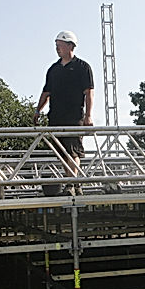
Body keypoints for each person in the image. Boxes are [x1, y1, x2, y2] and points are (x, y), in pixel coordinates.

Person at [35, 30, 94, 191]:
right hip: (55, 116)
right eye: (56, 45)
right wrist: (38, 111)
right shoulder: (53, 69)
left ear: (70, 46)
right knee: (62, 152)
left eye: (60, 45)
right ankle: (73, 182)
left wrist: (88, 116)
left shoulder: (82, 67)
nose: (57, 48)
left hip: (74, 116)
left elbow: (89, 92)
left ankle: (71, 183)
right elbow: (46, 92)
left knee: (73, 151)